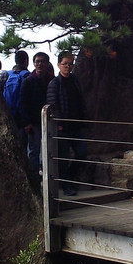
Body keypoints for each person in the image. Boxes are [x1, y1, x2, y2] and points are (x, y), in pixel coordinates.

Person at [46, 51, 88, 196]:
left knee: (82, 153)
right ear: (58, 65)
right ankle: (66, 184)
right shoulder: (54, 84)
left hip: (76, 125)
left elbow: (80, 101)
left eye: (70, 64)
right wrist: (58, 123)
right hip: (62, 127)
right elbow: (52, 104)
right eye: (65, 64)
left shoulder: (75, 80)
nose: (67, 66)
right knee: (63, 158)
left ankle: (70, 177)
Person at [22, 51, 54, 174]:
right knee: (33, 151)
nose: (40, 64)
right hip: (33, 122)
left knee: (49, 150)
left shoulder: (52, 80)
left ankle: (49, 176)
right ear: (34, 63)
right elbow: (23, 102)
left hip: (49, 121)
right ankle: (35, 178)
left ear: (47, 63)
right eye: (37, 61)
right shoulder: (28, 81)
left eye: (42, 61)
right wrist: (27, 122)